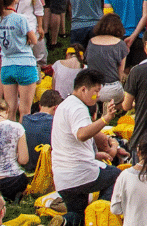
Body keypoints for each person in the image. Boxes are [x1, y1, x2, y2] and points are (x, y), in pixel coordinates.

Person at [52, 69, 122, 226]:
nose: (98, 96)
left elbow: (70, 143)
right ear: (84, 89)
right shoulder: (78, 108)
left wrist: (94, 155)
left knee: (79, 215)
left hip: (62, 177)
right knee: (117, 176)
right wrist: (105, 119)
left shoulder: (64, 105)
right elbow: (82, 134)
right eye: (96, 91)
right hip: (80, 173)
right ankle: (100, 214)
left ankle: (65, 221)